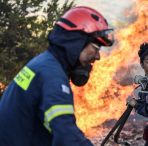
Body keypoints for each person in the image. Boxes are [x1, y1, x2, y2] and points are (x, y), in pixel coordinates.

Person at [0, 6, 114, 146]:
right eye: (96, 48)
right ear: (77, 42)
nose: (97, 56)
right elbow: (66, 136)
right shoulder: (52, 78)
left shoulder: (42, 63)